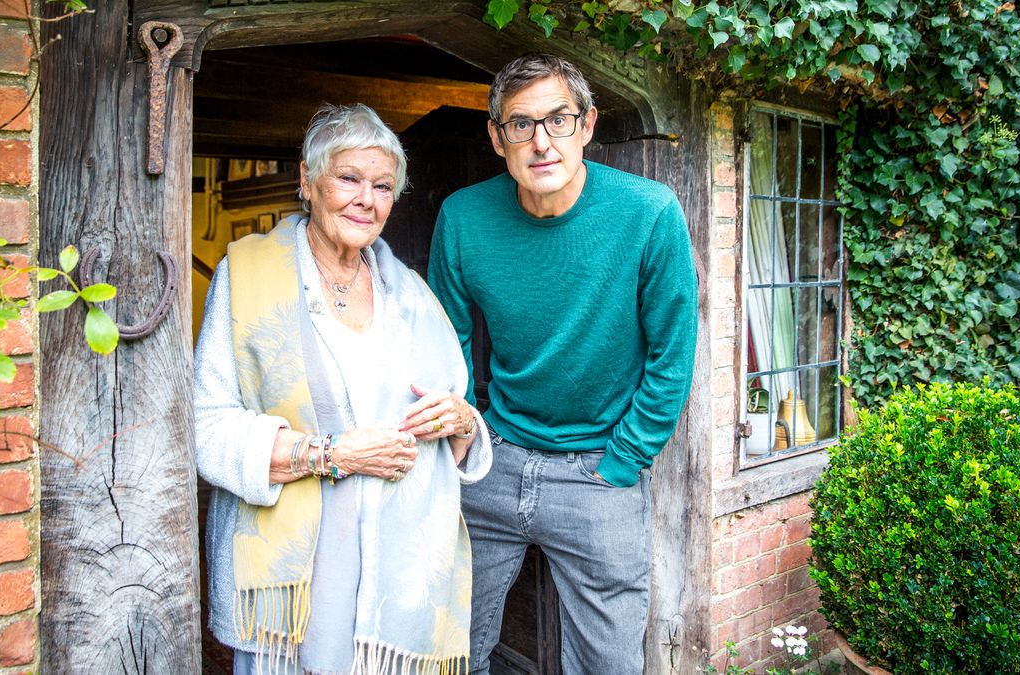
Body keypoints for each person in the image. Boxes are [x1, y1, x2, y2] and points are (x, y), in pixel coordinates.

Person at [194, 103, 492, 675]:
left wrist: (457, 420)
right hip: (294, 578)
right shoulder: (248, 273)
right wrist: (330, 455)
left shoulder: (411, 292)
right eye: (349, 178)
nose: (367, 198)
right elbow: (207, 422)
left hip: (396, 575)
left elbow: (460, 412)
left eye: (383, 186)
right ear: (308, 181)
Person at [427, 53, 698, 674]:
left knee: (609, 664)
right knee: (448, 645)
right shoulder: (463, 218)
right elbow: (447, 342)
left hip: (599, 474)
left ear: (588, 125)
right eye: (521, 124)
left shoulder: (649, 213)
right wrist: (468, 437)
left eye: (559, 120)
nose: (541, 142)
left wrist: (626, 458)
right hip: (493, 462)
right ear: (497, 138)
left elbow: (671, 352)